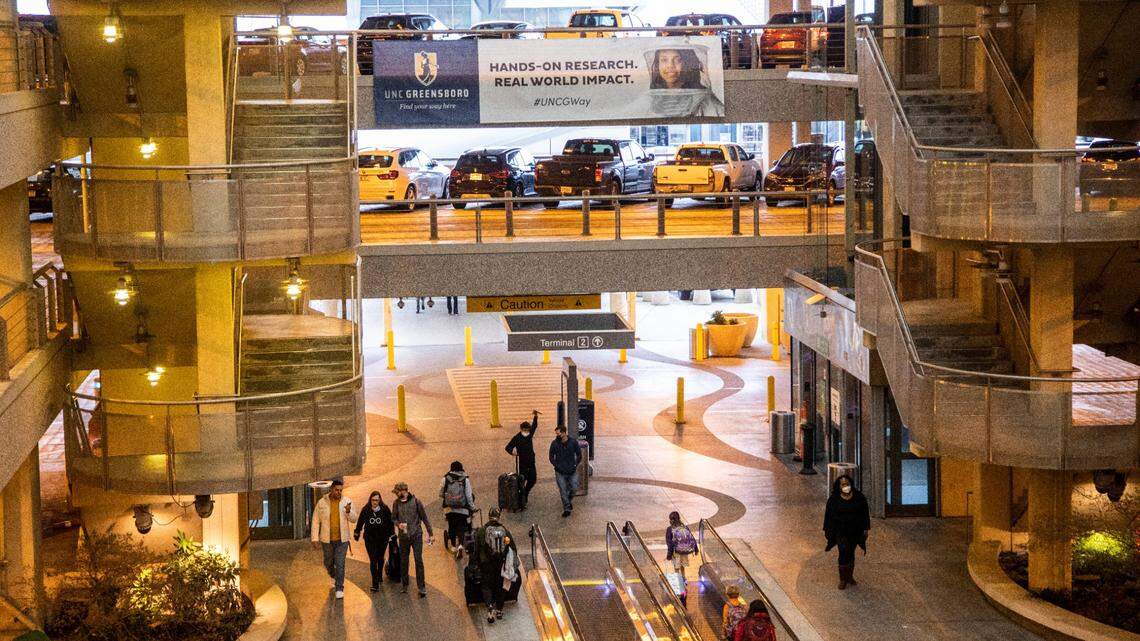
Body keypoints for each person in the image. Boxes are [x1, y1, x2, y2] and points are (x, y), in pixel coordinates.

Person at [310, 478, 358, 599]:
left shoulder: (346, 501)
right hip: (327, 540)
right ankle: (334, 575)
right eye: (337, 490)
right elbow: (315, 520)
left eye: (341, 490)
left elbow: (354, 519)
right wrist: (314, 538)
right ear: (331, 489)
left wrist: (348, 511)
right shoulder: (322, 502)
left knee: (340, 563)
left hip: (342, 540)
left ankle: (339, 587)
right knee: (328, 562)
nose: (339, 492)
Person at [823, 474, 870, 590]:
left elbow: (865, 514)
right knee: (843, 551)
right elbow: (828, 516)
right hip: (840, 531)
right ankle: (843, 578)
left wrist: (865, 529)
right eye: (843, 484)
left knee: (851, 552)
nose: (846, 486)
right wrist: (828, 530)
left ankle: (850, 576)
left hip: (855, 530)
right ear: (839, 486)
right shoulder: (834, 499)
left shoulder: (859, 497)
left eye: (847, 484)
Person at [473, 507, 518, 624]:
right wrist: (512, 564)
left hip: (486, 564)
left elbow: (476, 550)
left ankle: (490, 607)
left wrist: (475, 564)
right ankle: (499, 609)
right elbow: (512, 548)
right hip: (500, 564)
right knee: (500, 586)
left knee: (486, 586)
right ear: (498, 517)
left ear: (489, 516)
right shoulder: (505, 530)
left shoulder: (482, 531)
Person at [392, 481, 435, 597]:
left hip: (416, 535)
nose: (397, 495)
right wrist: (398, 524)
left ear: (404, 491)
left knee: (418, 560)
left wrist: (431, 533)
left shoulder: (416, 502)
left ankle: (421, 587)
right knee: (404, 561)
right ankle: (405, 584)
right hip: (403, 537)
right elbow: (393, 518)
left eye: (398, 492)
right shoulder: (396, 503)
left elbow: (424, 518)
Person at [354, 490, 394, 592]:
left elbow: (390, 522)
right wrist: (357, 532)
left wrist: (392, 535)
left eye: (377, 500)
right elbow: (360, 522)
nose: (375, 502)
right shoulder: (366, 509)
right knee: (373, 559)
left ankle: (379, 575)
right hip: (370, 539)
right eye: (373, 500)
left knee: (380, 558)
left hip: (382, 539)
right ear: (370, 500)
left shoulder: (385, 509)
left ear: (380, 500)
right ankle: (374, 583)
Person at [439, 461, 476, 556]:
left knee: (452, 525)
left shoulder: (445, 479)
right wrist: (472, 507)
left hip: (449, 509)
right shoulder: (465, 480)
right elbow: (468, 496)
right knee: (462, 526)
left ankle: (453, 546)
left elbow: (440, 493)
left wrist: (449, 498)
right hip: (462, 508)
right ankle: (460, 545)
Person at [504, 410, 539, 508]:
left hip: (531, 462)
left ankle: (526, 492)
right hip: (523, 463)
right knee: (521, 481)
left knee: (533, 479)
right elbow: (508, 447)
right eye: (525, 430)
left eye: (528, 430)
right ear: (521, 429)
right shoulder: (517, 438)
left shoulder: (530, 435)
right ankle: (521, 498)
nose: (526, 432)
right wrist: (513, 452)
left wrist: (535, 416)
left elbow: (534, 426)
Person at [549, 425, 582, 517]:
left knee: (574, 488)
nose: (557, 435)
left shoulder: (573, 442)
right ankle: (567, 508)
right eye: (556, 433)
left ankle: (568, 500)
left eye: (558, 433)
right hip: (560, 472)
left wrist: (575, 464)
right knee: (563, 490)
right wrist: (556, 465)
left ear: (564, 433)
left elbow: (579, 454)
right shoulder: (554, 443)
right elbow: (551, 456)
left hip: (572, 470)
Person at [664, 511, 698, 581]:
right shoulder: (685, 527)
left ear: (671, 520)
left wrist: (669, 555)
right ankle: (683, 578)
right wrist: (696, 549)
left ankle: (678, 581)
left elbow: (669, 544)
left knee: (676, 567)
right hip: (685, 551)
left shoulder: (670, 529)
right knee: (682, 566)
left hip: (676, 552)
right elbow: (691, 538)